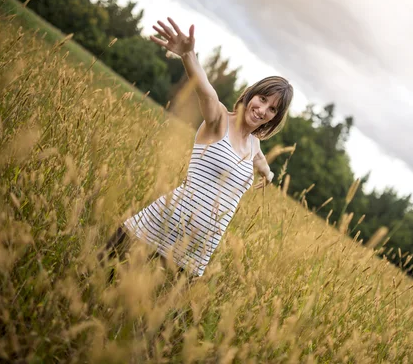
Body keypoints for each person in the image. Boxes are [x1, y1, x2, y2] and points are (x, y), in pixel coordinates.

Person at [98, 17, 293, 279]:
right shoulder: (219, 119)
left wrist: (268, 174)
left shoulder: (254, 143)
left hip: (195, 251)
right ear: (250, 94)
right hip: (161, 224)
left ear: (275, 118)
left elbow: (259, 160)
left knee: (149, 316)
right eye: (263, 99)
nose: (263, 110)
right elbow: (206, 91)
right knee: (99, 280)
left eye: (273, 110)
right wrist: (189, 55)